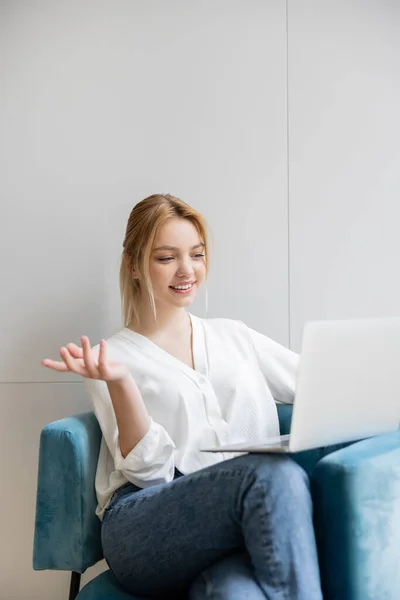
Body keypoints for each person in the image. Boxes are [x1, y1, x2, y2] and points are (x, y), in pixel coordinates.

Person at [42, 193, 323, 600]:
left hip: (235, 519)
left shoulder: (234, 336)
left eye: (197, 254)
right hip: (143, 524)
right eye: (166, 257)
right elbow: (150, 474)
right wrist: (121, 383)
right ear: (134, 265)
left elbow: (315, 384)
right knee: (273, 475)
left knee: (233, 593)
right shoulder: (112, 358)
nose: (187, 270)